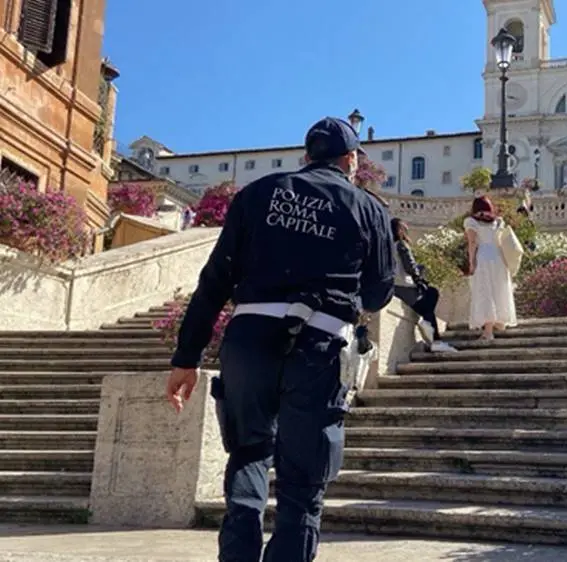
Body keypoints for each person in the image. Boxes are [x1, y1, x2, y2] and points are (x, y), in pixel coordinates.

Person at [164, 117, 395, 562]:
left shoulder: (256, 195)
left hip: (249, 339)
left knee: (248, 452)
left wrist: (186, 358)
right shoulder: (369, 208)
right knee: (303, 482)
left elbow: (214, 281)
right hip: (321, 345)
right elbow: (378, 292)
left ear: (305, 157)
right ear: (350, 161)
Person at [390, 218, 457, 353]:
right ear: (400, 230)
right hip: (405, 286)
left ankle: (429, 327)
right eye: (404, 228)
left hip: (394, 286)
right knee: (432, 294)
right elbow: (409, 264)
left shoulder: (388, 246)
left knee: (427, 306)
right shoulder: (401, 245)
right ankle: (435, 340)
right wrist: (418, 278)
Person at [464, 195, 517, 341]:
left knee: (484, 290)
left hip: (483, 256)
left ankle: (488, 331)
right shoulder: (498, 221)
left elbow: (473, 242)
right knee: (498, 288)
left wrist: (471, 262)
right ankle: (500, 321)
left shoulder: (471, 222)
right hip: (499, 257)